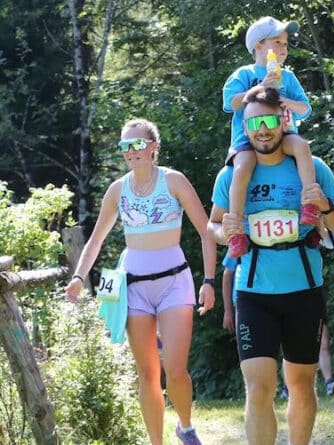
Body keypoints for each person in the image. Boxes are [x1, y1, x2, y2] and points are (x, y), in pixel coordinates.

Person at [208, 85, 334, 445]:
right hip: (254, 292)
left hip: (304, 289)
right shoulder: (232, 174)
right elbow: (213, 226)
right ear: (244, 127)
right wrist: (225, 232)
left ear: (284, 120)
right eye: (254, 123)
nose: (262, 130)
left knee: (301, 385)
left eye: (269, 121)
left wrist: (325, 207)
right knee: (258, 387)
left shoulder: (312, 167)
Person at [65, 118, 216, 445]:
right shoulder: (117, 190)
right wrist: (78, 277)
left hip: (174, 283)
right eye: (124, 146)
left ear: (153, 148)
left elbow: (206, 231)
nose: (130, 151)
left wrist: (209, 280)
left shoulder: (173, 181)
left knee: (176, 370)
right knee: (147, 373)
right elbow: (96, 240)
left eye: (137, 144)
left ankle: (186, 426)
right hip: (134, 287)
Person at [223, 15, 316, 258]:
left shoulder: (289, 77)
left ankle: (309, 204)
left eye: (285, 44)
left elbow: (305, 109)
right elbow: (231, 103)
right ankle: (236, 231)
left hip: (283, 134)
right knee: (242, 169)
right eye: (277, 42)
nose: (283, 48)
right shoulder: (244, 74)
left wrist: (285, 101)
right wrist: (261, 87)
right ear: (258, 46)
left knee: (302, 147)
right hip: (248, 139)